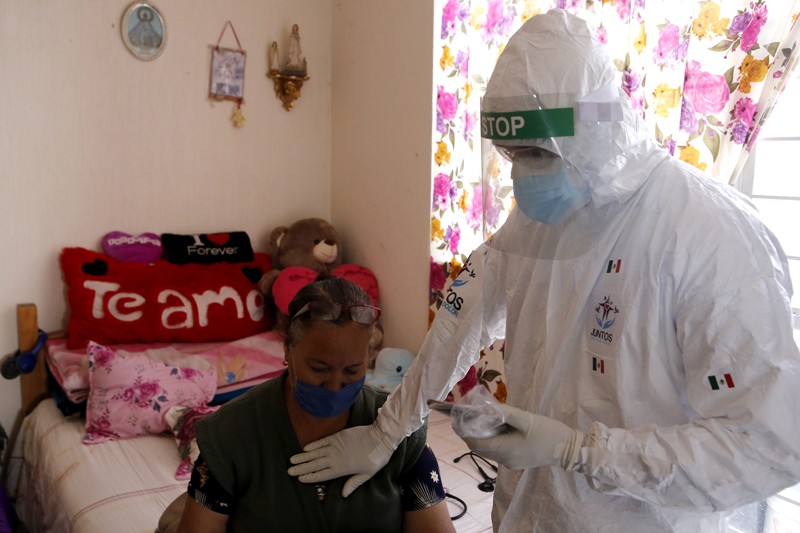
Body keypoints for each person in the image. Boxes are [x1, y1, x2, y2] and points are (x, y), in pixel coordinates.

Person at [287, 9, 800, 532]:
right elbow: (458, 321)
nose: (523, 176)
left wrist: (581, 451)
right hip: (525, 514)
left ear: (598, 128)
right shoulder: (533, 224)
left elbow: (769, 444)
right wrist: (386, 431)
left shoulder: (708, 235)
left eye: (536, 152)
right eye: (511, 155)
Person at [175, 277, 455, 532]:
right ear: (287, 349)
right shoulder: (231, 433)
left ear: (369, 356)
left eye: (352, 370)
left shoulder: (401, 429)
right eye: (319, 368)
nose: (334, 386)